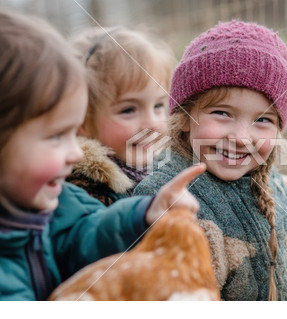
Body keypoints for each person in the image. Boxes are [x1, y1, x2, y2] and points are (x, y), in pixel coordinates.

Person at [0, 9, 204, 301]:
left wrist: (142, 213)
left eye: (160, 105)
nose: (74, 152)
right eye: (56, 136)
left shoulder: (54, 205)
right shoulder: (80, 188)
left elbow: (82, 236)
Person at [134, 20, 287, 301]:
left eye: (262, 120)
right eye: (222, 113)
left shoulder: (274, 185)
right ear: (186, 117)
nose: (240, 137)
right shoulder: (167, 196)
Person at [66, 26, 176, 205]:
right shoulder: (84, 196)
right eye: (128, 110)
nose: (153, 124)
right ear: (82, 121)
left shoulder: (170, 169)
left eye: (158, 105)